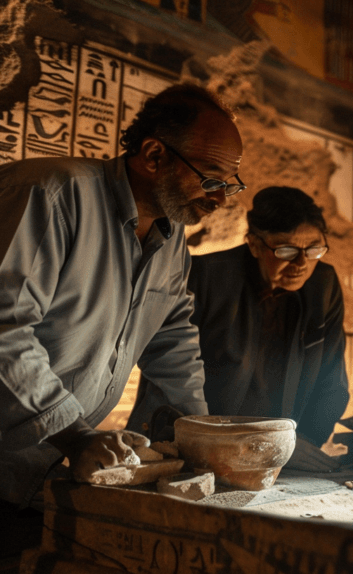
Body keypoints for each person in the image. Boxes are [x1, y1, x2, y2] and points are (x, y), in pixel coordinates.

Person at [0, 84, 243, 552]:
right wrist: (75, 435)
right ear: (154, 155)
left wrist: (199, 436)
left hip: (43, 475)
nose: (221, 199)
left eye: (230, 185)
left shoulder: (171, 240)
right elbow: (6, 330)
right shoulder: (51, 196)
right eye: (211, 179)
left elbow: (171, 336)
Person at [180, 186, 349, 472]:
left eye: (314, 249)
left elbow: (331, 378)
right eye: (286, 249)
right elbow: (179, 376)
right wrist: (223, 445)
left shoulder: (324, 285)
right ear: (254, 244)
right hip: (201, 445)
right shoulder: (206, 277)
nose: (301, 264)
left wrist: (298, 443)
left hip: (283, 452)